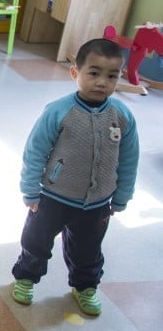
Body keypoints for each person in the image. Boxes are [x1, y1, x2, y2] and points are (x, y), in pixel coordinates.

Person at [10, 38, 139, 316]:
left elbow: (129, 160)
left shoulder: (122, 115)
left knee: (88, 249)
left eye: (112, 76)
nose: (102, 82)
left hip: (97, 203)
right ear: (75, 72)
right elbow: (35, 151)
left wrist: (122, 196)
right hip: (53, 197)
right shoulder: (58, 111)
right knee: (36, 241)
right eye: (94, 73)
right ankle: (26, 277)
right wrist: (30, 189)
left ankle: (85, 286)